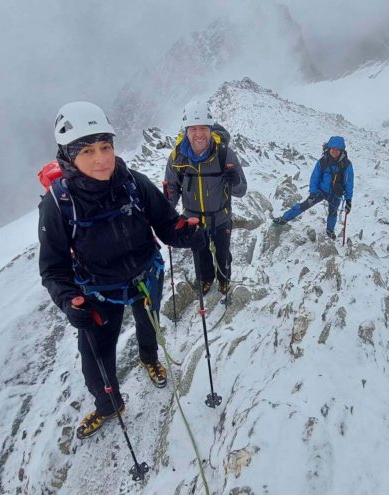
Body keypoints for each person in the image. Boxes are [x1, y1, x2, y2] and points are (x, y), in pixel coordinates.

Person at [39, 101, 206, 438]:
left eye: (105, 147)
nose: (100, 158)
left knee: (149, 323)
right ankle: (108, 404)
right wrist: (69, 301)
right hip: (96, 291)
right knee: (96, 357)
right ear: (68, 156)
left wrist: (189, 234)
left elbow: (166, 225)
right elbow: (53, 269)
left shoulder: (133, 182)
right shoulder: (58, 204)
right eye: (87, 150)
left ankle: (149, 358)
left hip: (145, 276)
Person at [164, 100, 247, 295]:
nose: (199, 134)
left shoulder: (225, 154)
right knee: (200, 256)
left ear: (210, 129)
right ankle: (206, 279)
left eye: (203, 128)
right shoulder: (177, 158)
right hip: (193, 221)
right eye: (193, 129)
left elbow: (241, 190)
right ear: (186, 131)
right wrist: (165, 217)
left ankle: (224, 279)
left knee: (223, 255)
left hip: (221, 218)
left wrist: (234, 181)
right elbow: (172, 191)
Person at [273, 136, 354, 239]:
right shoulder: (323, 161)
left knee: (333, 213)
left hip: (335, 194)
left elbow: (349, 182)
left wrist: (348, 200)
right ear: (329, 148)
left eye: (337, 150)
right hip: (321, 191)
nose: (335, 151)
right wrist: (313, 192)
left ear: (341, 150)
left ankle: (330, 230)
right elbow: (315, 177)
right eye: (333, 149)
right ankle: (284, 218)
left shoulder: (346, 165)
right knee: (304, 205)